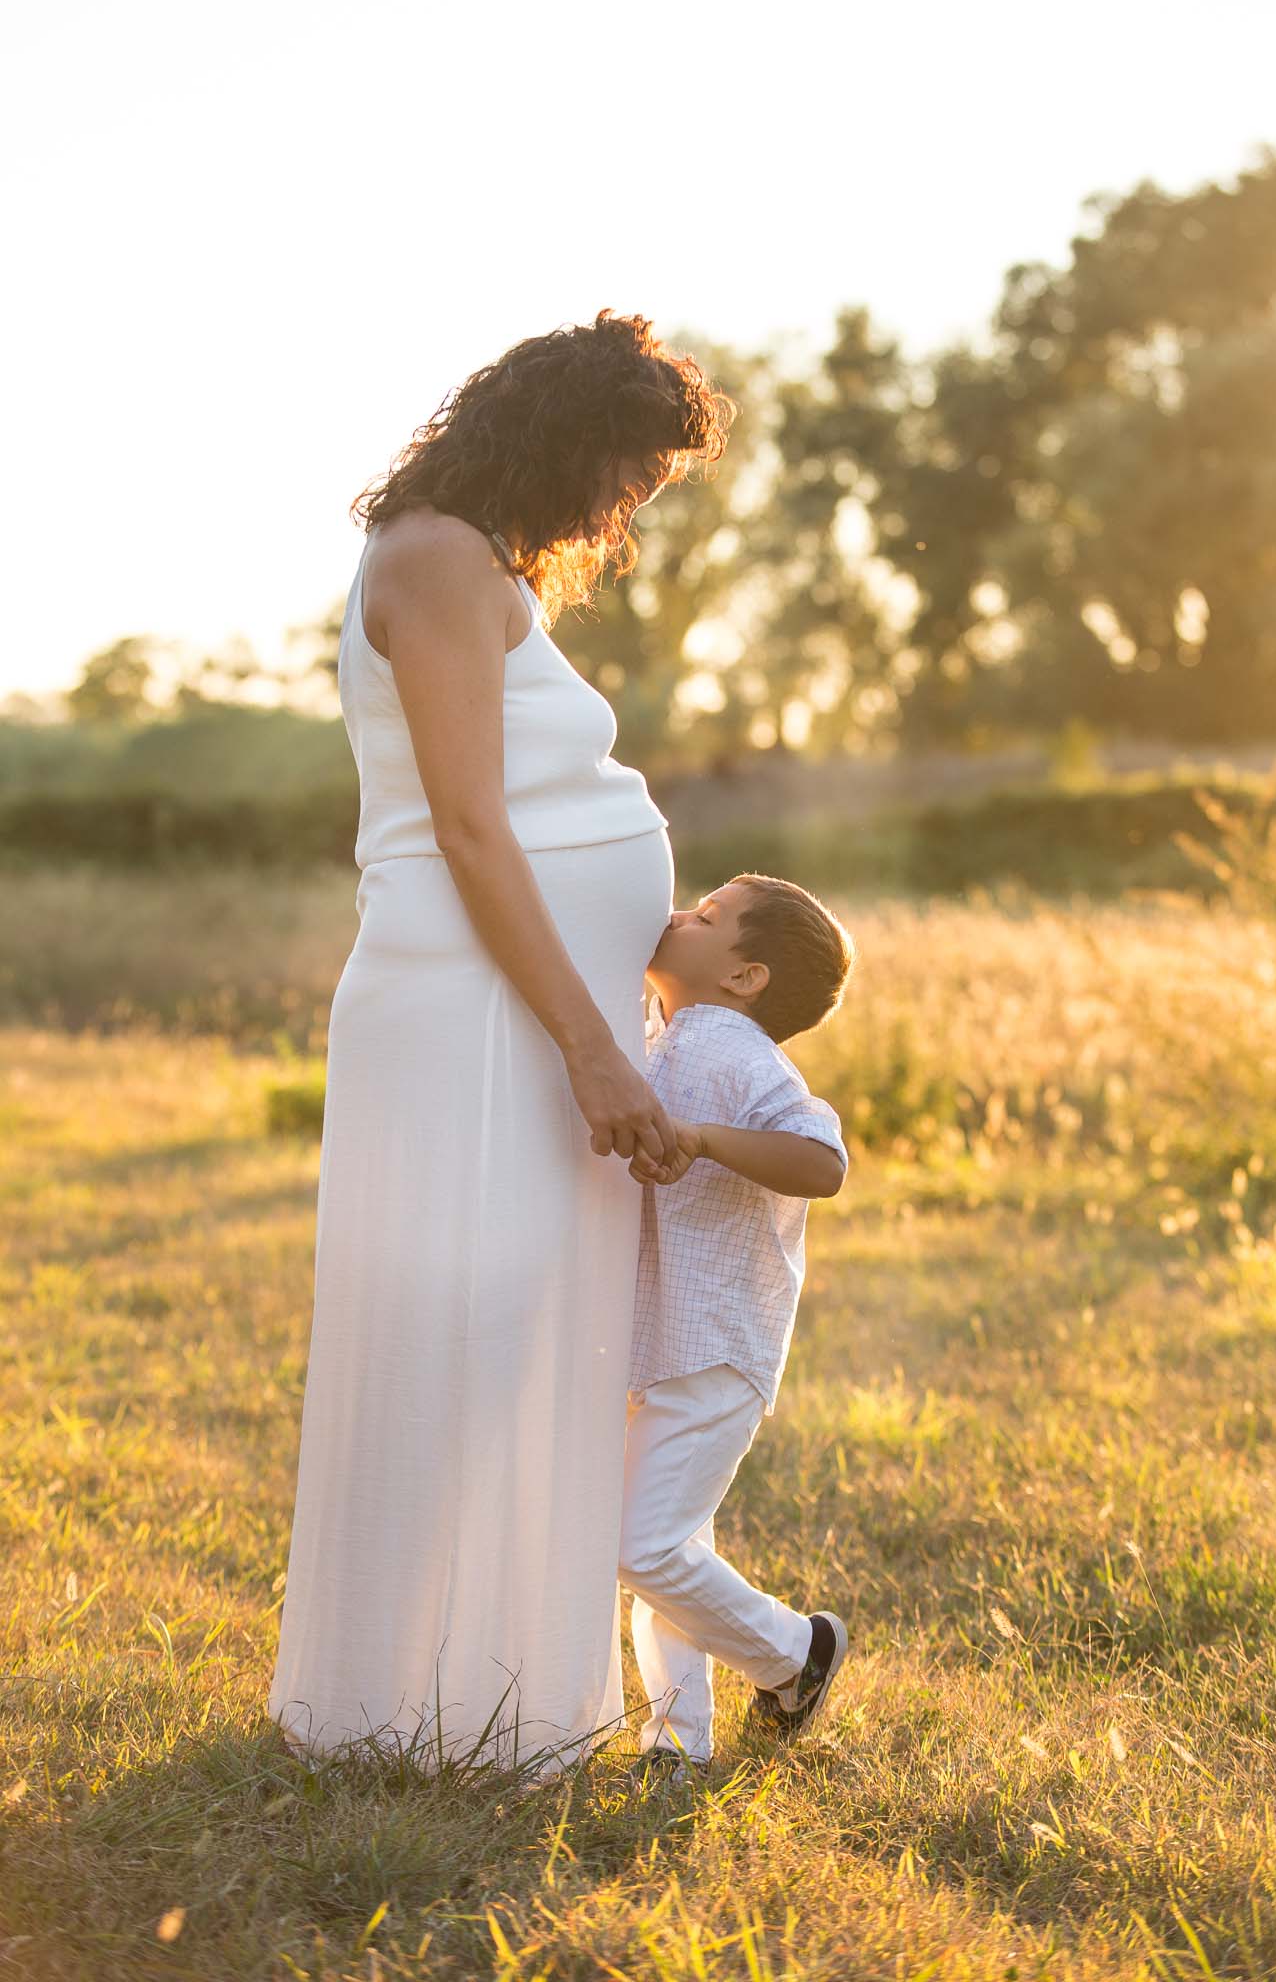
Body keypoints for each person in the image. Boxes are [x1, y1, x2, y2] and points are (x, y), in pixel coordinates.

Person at [268, 310, 737, 1776]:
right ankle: (413, 1706)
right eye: (621, 476)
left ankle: (483, 1695)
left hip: (508, 1008)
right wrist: (596, 1049)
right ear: (557, 430)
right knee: (469, 1331)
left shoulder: (470, 564)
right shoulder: (434, 560)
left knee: (525, 1336)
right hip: (477, 1016)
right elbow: (468, 828)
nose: (620, 513)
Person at [617, 874, 856, 1779]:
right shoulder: (664, 1030)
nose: (678, 913)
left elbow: (822, 1160)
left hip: (717, 1343)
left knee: (639, 1545)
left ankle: (796, 1654)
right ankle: (678, 1745)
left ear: (744, 977)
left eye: (706, 917)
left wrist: (709, 1139)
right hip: (659, 1336)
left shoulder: (731, 1048)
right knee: (669, 1549)